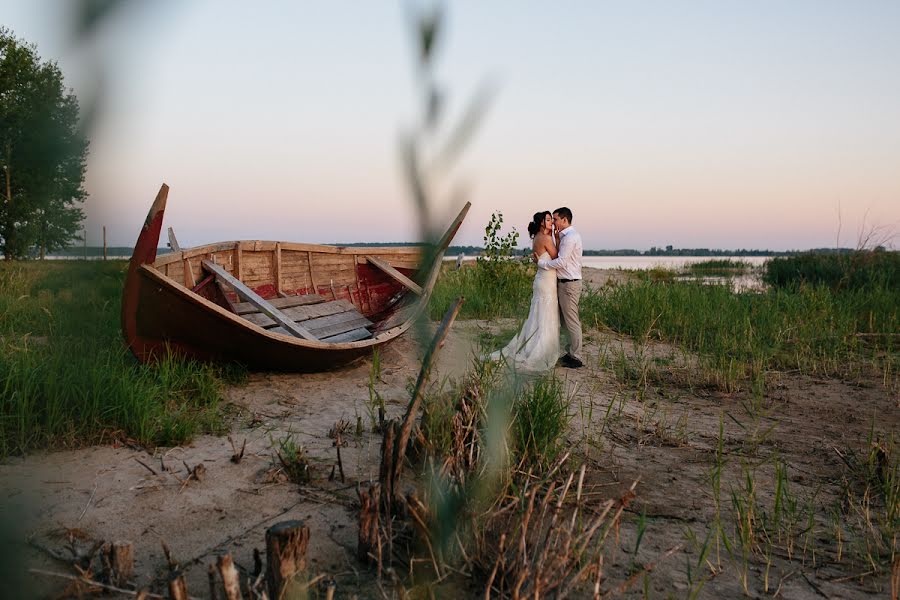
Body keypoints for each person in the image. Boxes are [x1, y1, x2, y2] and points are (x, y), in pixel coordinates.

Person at [489, 212, 561, 372]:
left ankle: (531, 344)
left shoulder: (536, 237)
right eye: (548, 220)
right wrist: (557, 237)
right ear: (542, 223)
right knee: (545, 315)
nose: (551, 223)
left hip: (541, 279)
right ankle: (541, 349)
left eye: (551, 220)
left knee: (537, 314)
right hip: (547, 281)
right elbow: (557, 258)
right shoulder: (546, 238)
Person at [538, 207, 583, 368]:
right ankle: (570, 352)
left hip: (569, 284)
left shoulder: (570, 237)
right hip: (565, 283)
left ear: (564, 220)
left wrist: (542, 264)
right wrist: (557, 239)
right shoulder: (565, 237)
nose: (554, 222)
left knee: (571, 321)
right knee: (565, 321)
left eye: (556, 219)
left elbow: (561, 262)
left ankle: (576, 356)